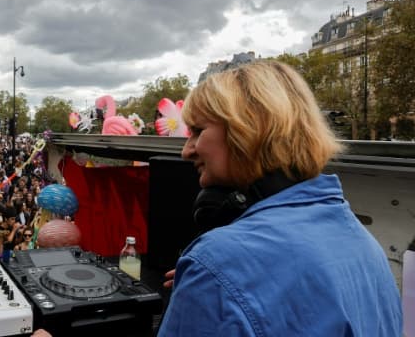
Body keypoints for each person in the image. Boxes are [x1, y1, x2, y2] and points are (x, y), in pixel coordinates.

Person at [155, 60, 401, 335]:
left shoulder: (216, 265)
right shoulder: (366, 245)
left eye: (198, 131)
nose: (186, 151)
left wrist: (209, 287)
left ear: (247, 131)